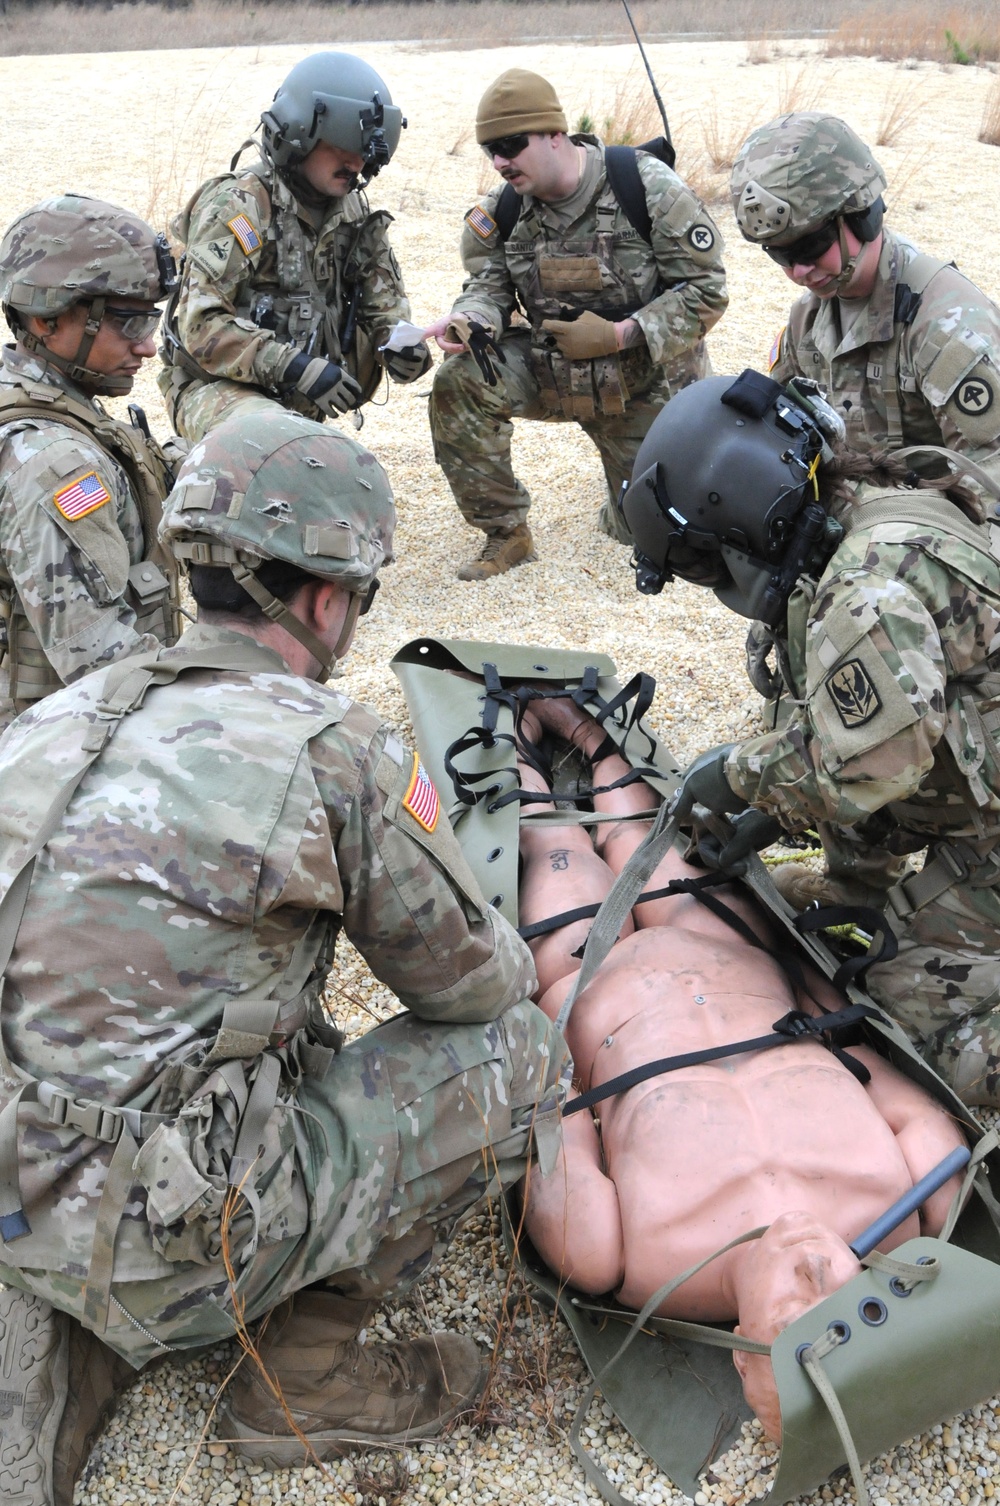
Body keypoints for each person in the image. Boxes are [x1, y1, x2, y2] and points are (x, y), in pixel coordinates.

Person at [0, 408, 566, 1506]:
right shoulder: (333, 751)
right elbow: (472, 987)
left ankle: (80, 1318)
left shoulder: (54, 719)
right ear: (326, 598)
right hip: (166, 1227)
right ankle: (299, 1379)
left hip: (20, 1181)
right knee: (518, 1053)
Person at [512, 694, 965, 1440]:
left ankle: (523, 750)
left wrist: (538, 1000)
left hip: (592, 979)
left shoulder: (617, 1256)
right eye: (851, 1310)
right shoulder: (919, 1193)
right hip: (730, 953)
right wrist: (799, 971)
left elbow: (547, 1098)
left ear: (745, 1364)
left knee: (557, 842)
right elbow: (863, 1055)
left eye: (797, 1321)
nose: (819, 1275)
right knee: (640, 834)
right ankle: (590, 734)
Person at [617, 366, 1000, 1108]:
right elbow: (875, 722)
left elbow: (875, 764)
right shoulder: (865, 511)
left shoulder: (866, 590)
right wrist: (782, 813)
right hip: (971, 800)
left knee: (902, 1011)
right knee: (830, 926)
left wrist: (741, 776)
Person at [729, 113, 1000, 912]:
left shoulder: (950, 329)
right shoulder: (814, 318)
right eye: (778, 255)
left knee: (888, 702)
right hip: (870, 564)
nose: (795, 271)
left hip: (950, 585)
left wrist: (891, 584)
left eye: (808, 247)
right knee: (825, 675)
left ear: (861, 214)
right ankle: (857, 880)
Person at [425, 68, 728, 579]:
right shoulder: (498, 212)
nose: (500, 162)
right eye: (490, 150)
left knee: (654, 535)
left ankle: (621, 500)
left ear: (554, 134)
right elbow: (488, 287)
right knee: (462, 381)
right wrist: (471, 321)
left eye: (512, 145)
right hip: (552, 372)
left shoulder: (646, 187)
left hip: (645, 383)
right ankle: (506, 533)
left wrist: (619, 334)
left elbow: (706, 292)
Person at [158, 51, 431, 443]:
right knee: (278, 446)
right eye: (341, 146)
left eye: (364, 152)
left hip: (295, 399)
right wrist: (292, 366)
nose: (355, 163)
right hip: (216, 390)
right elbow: (201, 326)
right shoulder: (241, 205)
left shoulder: (352, 212)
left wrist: (401, 347)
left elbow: (383, 304)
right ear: (300, 134)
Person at [0, 194, 180, 732]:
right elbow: (101, 662)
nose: (147, 347)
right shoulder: (55, 466)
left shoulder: (43, 395)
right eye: (128, 323)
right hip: (50, 756)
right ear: (46, 319)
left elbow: (132, 460)